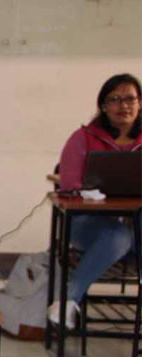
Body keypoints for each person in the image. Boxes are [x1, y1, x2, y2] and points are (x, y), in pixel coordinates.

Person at [51, 73, 142, 329]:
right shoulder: (83, 139)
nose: (123, 106)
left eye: (130, 99)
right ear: (103, 106)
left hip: (137, 226)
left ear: (140, 103)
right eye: (115, 99)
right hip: (90, 223)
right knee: (117, 236)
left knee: (129, 231)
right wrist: (93, 195)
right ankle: (69, 301)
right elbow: (69, 184)